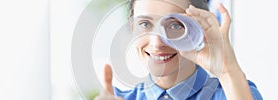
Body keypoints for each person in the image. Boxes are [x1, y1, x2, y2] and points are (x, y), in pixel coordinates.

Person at [95, 0, 263, 100]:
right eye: (145, 24)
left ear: (199, 28)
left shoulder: (234, 91)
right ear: (133, 27)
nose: (157, 42)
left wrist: (226, 69)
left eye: (175, 25)